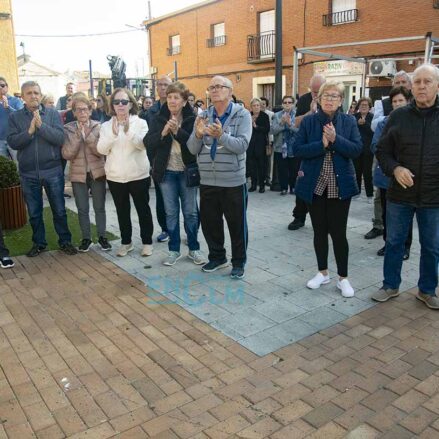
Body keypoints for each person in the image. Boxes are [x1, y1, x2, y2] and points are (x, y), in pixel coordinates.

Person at [373, 64, 439, 309]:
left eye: (427, 81)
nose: (422, 86)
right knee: (394, 242)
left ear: (437, 86)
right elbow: (382, 150)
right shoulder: (398, 116)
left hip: (434, 196)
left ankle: (427, 290)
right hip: (400, 195)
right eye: (418, 82)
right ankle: (390, 285)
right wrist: (395, 169)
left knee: (432, 246)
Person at [293, 80, 362, 298]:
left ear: (341, 100)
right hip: (315, 185)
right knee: (319, 231)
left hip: (340, 185)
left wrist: (335, 139)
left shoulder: (349, 122)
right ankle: (322, 272)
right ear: (318, 98)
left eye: (335, 96)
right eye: (326, 95)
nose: (330, 99)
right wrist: (321, 145)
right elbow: (297, 149)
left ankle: (343, 278)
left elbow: (357, 149)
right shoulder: (309, 122)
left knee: (339, 233)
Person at [188, 75, 252, 279]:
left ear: (230, 91)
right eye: (211, 87)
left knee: (236, 224)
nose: (214, 90)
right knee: (210, 223)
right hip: (207, 180)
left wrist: (221, 136)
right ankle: (217, 256)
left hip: (233, 181)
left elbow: (242, 145)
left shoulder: (242, 115)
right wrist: (198, 134)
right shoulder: (203, 116)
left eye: (219, 86)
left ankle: (238, 261)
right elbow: (191, 149)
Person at [7, 81, 77, 257]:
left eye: (36, 93)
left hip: (52, 171)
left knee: (59, 210)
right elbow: (13, 142)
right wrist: (29, 131)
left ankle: (65, 241)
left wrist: (41, 127)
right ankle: (39, 243)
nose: (34, 96)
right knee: (35, 212)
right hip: (28, 173)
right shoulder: (15, 118)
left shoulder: (52, 114)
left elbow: (60, 138)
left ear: (40, 94)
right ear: (22, 97)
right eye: (29, 93)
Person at [145, 81, 204, 266]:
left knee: (191, 213)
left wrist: (177, 131)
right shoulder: (158, 118)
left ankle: (194, 249)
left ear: (184, 101)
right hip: (166, 173)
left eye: (176, 97)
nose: (171, 100)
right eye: (169, 97)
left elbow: (194, 146)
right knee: (171, 213)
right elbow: (148, 142)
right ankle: (174, 250)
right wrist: (163, 132)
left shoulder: (192, 119)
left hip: (187, 172)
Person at [97, 87, 153, 257]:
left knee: (143, 209)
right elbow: (101, 150)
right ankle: (126, 242)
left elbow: (142, 145)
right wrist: (113, 135)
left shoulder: (141, 123)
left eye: (124, 101)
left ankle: (147, 242)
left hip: (138, 175)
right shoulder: (106, 125)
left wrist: (128, 130)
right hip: (116, 176)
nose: (120, 105)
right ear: (112, 105)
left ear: (131, 104)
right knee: (122, 211)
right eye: (116, 102)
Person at [364, 71, 413, 240]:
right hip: (387, 172)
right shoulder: (384, 121)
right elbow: (376, 145)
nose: (398, 104)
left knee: (405, 212)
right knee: (385, 207)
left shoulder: (416, 118)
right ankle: (386, 238)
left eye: (401, 101)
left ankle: (405, 244)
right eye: (395, 101)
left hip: (408, 174)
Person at [62, 95, 111, 252]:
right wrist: (78, 137)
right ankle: (86, 238)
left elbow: (101, 151)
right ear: (74, 112)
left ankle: (102, 236)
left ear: (90, 111)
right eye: (78, 110)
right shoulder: (68, 129)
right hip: (78, 175)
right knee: (82, 208)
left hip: (97, 173)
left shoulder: (99, 127)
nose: (82, 112)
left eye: (85, 109)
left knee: (99, 207)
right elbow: (67, 154)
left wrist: (87, 137)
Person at [289, 74, 326, 231]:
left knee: (323, 185)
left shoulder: (330, 99)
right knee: (302, 183)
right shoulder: (304, 99)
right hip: (305, 148)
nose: (316, 95)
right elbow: (295, 121)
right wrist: (310, 113)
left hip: (324, 149)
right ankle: (299, 217)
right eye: (314, 91)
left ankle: (322, 219)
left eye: (319, 92)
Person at [146, 75, 172, 243]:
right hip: (158, 161)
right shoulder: (150, 112)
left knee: (184, 200)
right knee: (162, 199)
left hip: (179, 161)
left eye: (166, 85)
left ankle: (188, 230)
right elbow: (147, 139)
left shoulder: (181, 107)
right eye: (159, 84)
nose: (162, 87)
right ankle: (165, 229)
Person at [271, 95, 298, 195]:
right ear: (282, 104)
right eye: (285, 102)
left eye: (289, 102)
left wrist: (290, 124)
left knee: (293, 169)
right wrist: (282, 123)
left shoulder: (297, 115)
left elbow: (299, 132)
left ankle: (293, 187)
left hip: (293, 147)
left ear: (293, 104)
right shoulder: (277, 115)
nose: (287, 104)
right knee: (282, 169)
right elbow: (273, 130)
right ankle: (283, 188)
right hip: (280, 147)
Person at [247, 98, 270, 193]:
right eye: (254, 105)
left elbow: (267, 129)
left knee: (261, 166)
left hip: (260, 144)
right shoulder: (248, 115)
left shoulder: (264, 116)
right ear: (251, 107)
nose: (256, 107)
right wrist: (250, 122)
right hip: (250, 144)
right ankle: (253, 184)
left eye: (258, 105)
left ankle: (261, 185)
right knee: (252, 166)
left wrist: (256, 127)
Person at [353, 97, 374, 198]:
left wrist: (365, 124)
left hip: (368, 150)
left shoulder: (373, 117)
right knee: (356, 171)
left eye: (366, 105)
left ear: (369, 107)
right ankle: (356, 193)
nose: (364, 107)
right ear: (359, 107)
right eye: (362, 105)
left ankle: (369, 194)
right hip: (356, 148)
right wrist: (357, 124)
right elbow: (351, 131)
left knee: (367, 173)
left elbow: (373, 132)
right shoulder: (354, 117)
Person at [0, 76, 24, 159]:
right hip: (0, 141)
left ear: (7, 87)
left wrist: (8, 107)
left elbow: (21, 116)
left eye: (2, 85)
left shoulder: (16, 100)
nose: (0, 87)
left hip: (14, 139)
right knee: (4, 168)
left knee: (19, 165)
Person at [260, 97, 274, 186]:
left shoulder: (271, 114)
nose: (261, 106)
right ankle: (259, 179)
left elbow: (271, 128)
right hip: (258, 141)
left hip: (268, 139)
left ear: (267, 105)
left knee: (268, 160)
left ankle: (268, 179)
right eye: (260, 104)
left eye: (263, 104)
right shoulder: (254, 114)